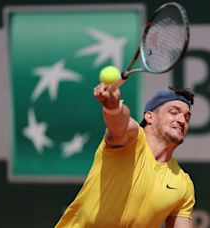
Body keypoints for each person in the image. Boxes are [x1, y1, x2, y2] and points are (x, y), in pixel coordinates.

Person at [55, 83, 196, 228]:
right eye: (174, 112)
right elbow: (120, 126)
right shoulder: (132, 139)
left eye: (187, 117)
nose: (181, 120)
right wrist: (114, 108)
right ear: (150, 117)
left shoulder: (183, 184)